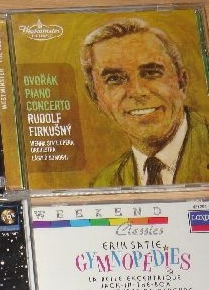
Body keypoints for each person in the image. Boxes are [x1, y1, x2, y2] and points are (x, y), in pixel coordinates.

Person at [80, 18, 209, 187]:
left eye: (151, 73)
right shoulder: (103, 184)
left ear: (182, 83)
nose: (137, 91)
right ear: (95, 96)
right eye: (114, 79)